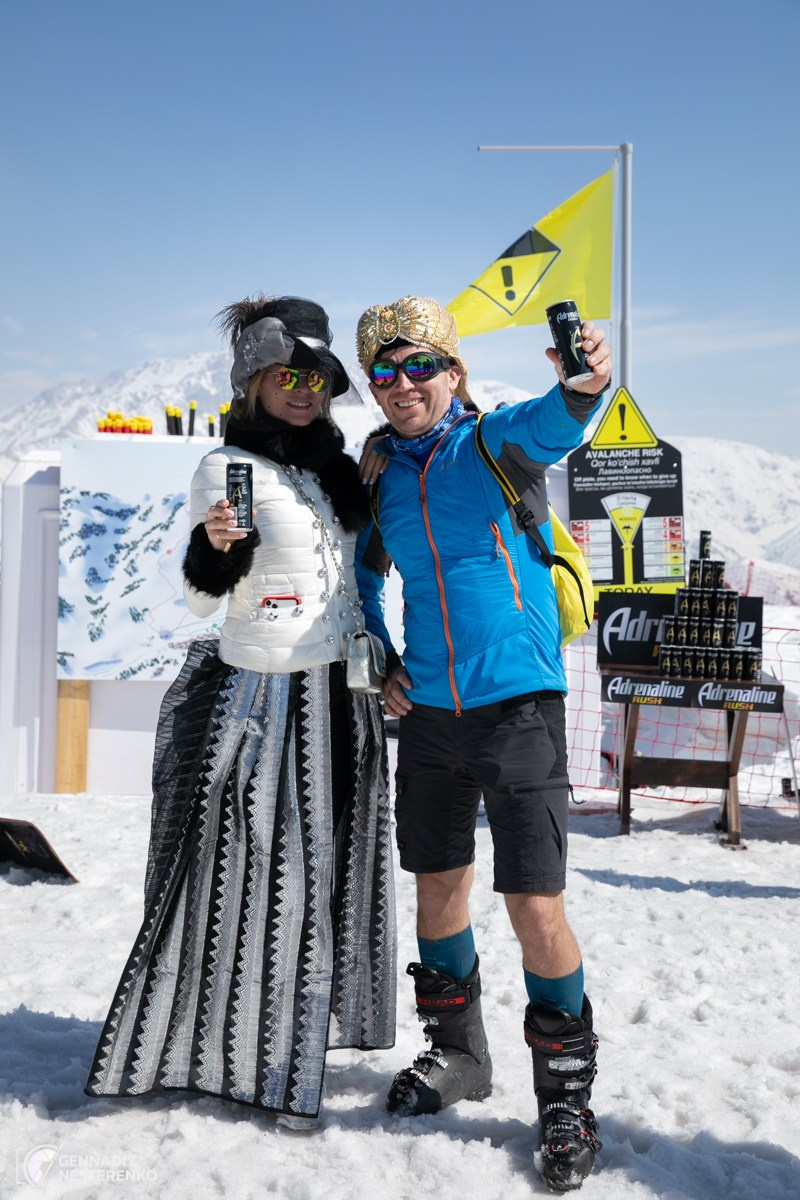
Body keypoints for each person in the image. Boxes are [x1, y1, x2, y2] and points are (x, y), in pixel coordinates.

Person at [86, 295, 397, 1128]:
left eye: (317, 377)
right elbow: (194, 600)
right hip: (264, 703)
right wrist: (213, 550)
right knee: (268, 890)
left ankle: (284, 1051)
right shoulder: (229, 469)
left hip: (339, 699)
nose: (303, 389)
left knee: (320, 881)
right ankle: (250, 1064)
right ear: (253, 380)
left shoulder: (330, 469)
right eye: (287, 375)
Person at [354, 295, 611, 1192]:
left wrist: (585, 382)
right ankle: (460, 1055)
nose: (402, 386)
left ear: (454, 374)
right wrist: (379, 651)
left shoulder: (492, 444)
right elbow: (362, 571)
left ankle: (567, 1097)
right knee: (437, 890)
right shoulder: (380, 471)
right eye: (384, 373)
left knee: (535, 907)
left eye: (420, 366)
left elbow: (559, 420)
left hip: (520, 708)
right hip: (428, 716)